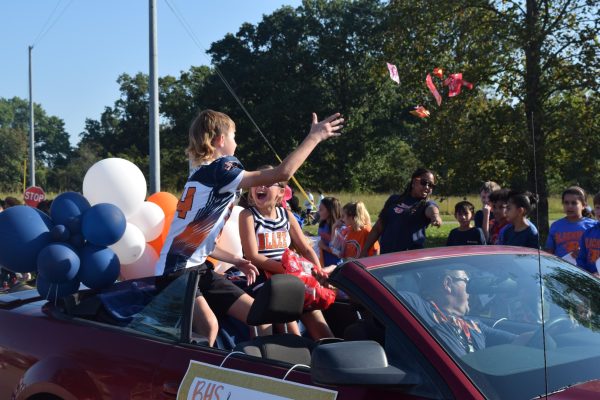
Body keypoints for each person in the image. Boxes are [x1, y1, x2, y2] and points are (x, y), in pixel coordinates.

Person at [155, 109, 343, 346]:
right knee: (209, 328)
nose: (237, 142)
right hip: (177, 270)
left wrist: (236, 260)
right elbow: (282, 173)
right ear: (220, 140)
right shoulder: (221, 168)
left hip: (196, 266)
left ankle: (260, 370)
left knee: (258, 314)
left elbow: (193, 241)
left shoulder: (200, 173)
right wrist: (314, 137)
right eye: (234, 136)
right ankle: (182, 370)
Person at [238, 166, 333, 339]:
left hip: (291, 273)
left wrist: (318, 273)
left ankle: (330, 351)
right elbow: (253, 255)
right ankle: (294, 354)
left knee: (317, 315)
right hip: (263, 274)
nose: (261, 186)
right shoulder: (248, 215)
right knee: (287, 301)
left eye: (267, 183)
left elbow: (305, 248)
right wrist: (288, 272)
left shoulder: (286, 215)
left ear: (281, 193)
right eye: (257, 182)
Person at [400, 267, 516, 356]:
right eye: (467, 281)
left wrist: (525, 284)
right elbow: (383, 297)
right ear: (448, 283)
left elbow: (520, 341)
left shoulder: (474, 325)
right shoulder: (416, 305)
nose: (471, 290)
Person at [360, 168, 442, 256]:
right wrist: (365, 250)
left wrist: (435, 217)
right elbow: (378, 228)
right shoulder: (394, 199)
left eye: (431, 185)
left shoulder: (425, 204)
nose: (427, 187)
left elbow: (432, 209)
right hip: (386, 256)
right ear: (414, 182)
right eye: (424, 182)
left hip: (409, 260)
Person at [545, 186, 596, 261]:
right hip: (561, 269)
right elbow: (549, 252)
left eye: (574, 203)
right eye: (566, 203)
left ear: (584, 205)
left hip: (587, 271)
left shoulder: (593, 226)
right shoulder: (556, 226)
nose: (569, 206)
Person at [576, 192, 600, 278]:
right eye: (597, 207)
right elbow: (581, 259)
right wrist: (586, 275)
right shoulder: (587, 233)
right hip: (589, 281)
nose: (599, 211)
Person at [317, 197, 342, 266]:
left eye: (321, 209)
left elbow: (340, 253)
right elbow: (321, 239)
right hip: (323, 261)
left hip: (336, 264)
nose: (318, 211)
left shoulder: (339, 228)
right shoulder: (323, 224)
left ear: (330, 211)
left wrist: (324, 247)